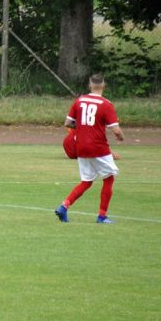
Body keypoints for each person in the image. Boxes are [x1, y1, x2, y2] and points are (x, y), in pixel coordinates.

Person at [55, 74, 124, 224]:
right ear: (103, 85)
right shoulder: (106, 104)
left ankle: (64, 206)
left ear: (89, 85)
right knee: (109, 178)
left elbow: (68, 122)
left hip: (81, 147)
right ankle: (102, 216)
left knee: (86, 181)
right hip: (99, 147)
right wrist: (121, 137)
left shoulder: (79, 100)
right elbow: (116, 130)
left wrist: (81, 127)